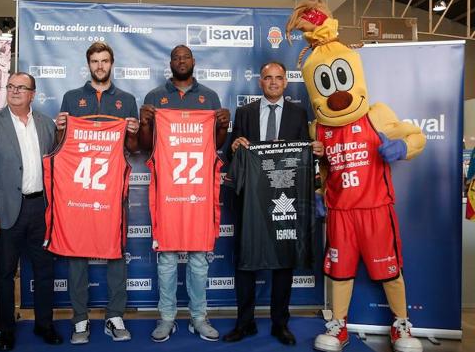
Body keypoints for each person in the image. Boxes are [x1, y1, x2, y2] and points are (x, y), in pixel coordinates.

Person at [223, 61, 323, 346]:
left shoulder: (298, 113)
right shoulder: (244, 113)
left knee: (284, 261)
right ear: (260, 82)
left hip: (284, 198)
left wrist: (314, 151)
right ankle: (245, 324)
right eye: (269, 78)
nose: (274, 82)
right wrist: (233, 147)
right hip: (251, 199)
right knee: (245, 262)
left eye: (279, 78)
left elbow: (305, 161)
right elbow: (233, 157)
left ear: (286, 83)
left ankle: (281, 324)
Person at [139, 45, 230, 342]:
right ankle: (166, 317)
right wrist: (145, 121)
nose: (181, 62)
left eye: (185, 57)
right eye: (176, 58)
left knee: (199, 258)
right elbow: (144, 146)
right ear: (170, 63)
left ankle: (198, 317)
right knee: (165, 258)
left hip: (198, 190)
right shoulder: (155, 97)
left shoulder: (210, 98)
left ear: (193, 62)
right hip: (168, 189)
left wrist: (223, 126)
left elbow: (216, 145)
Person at [55, 42, 139, 344]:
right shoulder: (72, 98)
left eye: (104, 61)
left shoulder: (127, 100)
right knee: (77, 252)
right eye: (94, 61)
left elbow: (133, 149)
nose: (99, 66)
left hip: (113, 189)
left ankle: (115, 315)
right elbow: (61, 145)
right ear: (88, 64)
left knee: (115, 251)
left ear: (112, 63)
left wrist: (132, 132)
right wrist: (60, 127)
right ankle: (80, 319)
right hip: (78, 189)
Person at [0, 72, 61, 350]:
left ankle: (44, 325)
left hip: (41, 209)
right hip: (5, 212)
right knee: (4, 274)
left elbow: (56, 170)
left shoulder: (46, 124)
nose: (14, 91)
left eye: (21, 88)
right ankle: (7, 332)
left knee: (45, 271)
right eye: (10, 86)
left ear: (33, 94)